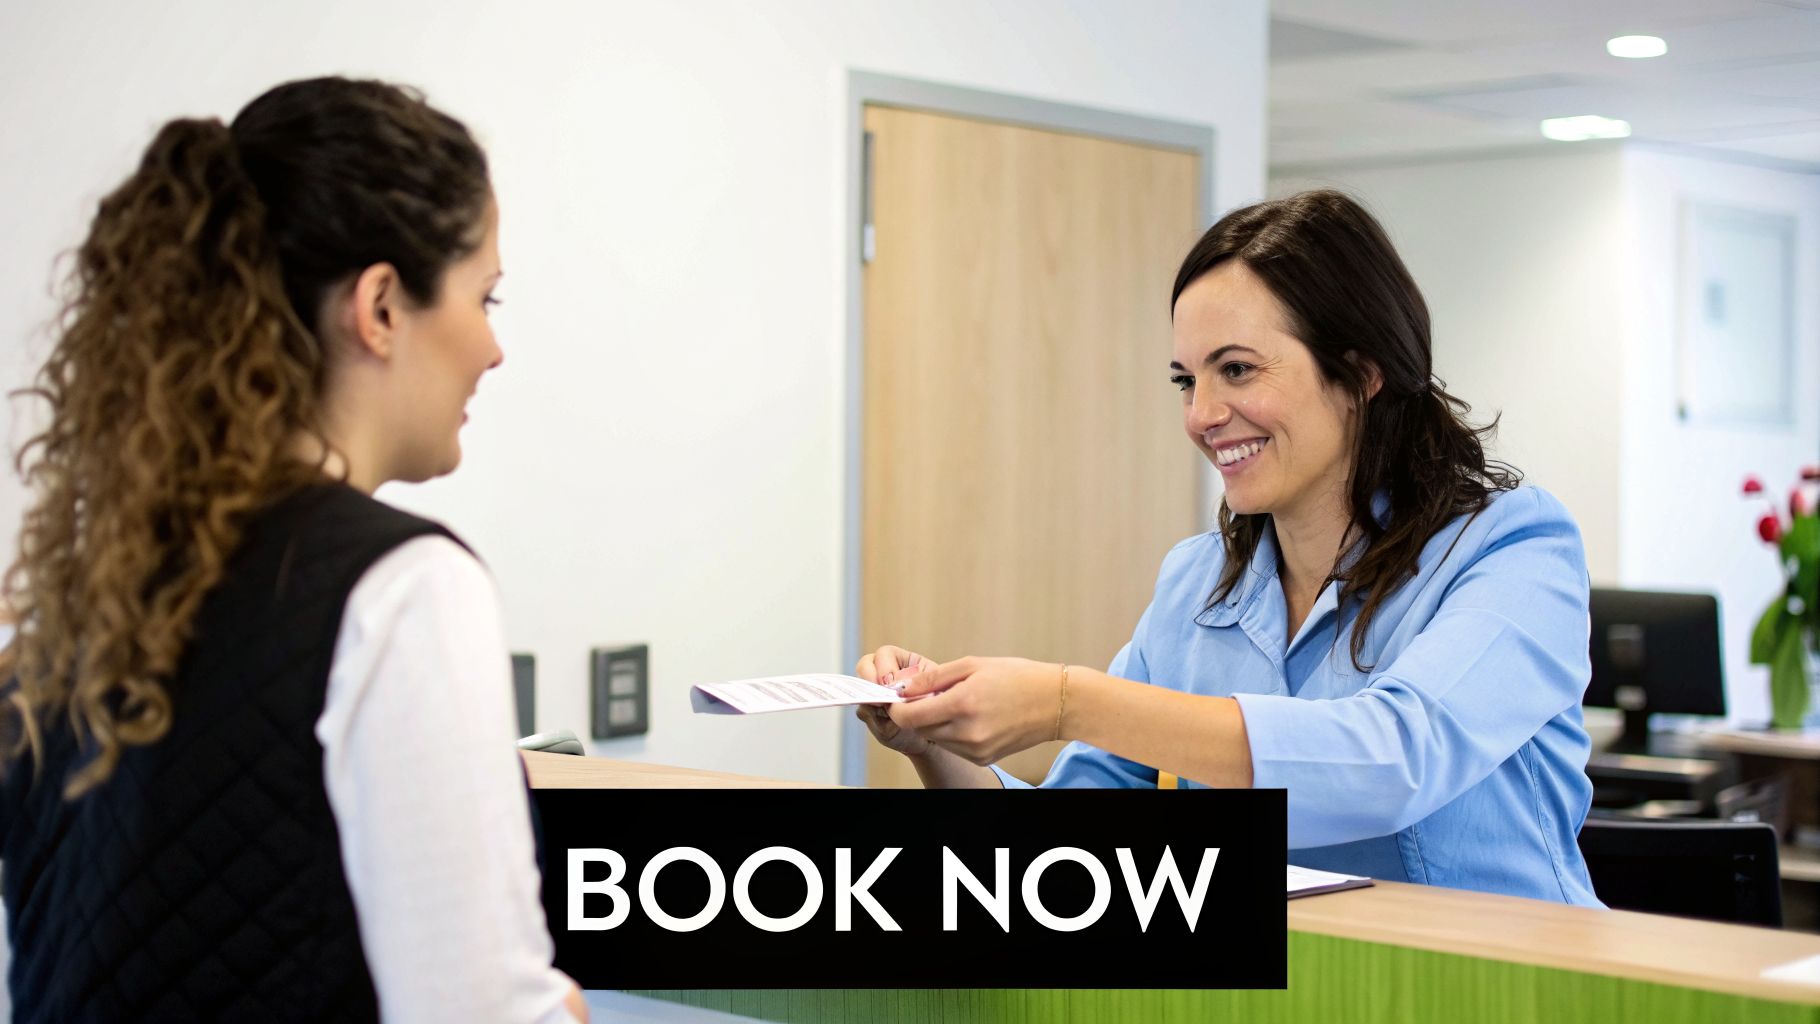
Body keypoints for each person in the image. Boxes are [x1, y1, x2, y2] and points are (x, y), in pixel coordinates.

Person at [0, 78, 589, 1021]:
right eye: (486, 297)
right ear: (383, 306)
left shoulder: (92, 580)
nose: (493, 348)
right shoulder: (403, 589)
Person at [857, 190, 1600, 907]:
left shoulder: (1514, 549)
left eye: (1237, 369)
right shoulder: (1196, 582)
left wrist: (1065, 701)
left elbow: (1392, 762)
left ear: (1363, 372)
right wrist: (936, 737)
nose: (1202, 415)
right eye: (1187, 379)